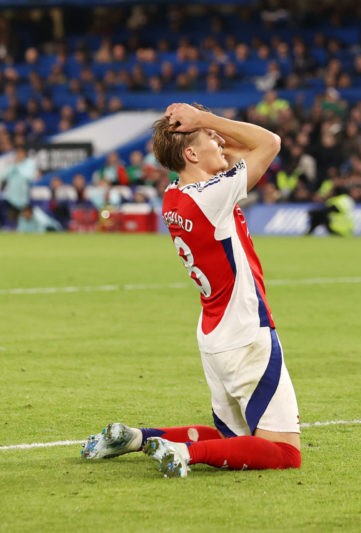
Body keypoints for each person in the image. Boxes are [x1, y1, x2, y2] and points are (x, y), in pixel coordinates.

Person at [81, 103, 301, 477]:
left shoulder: (175, 195)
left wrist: (204, 134)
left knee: (227, 436)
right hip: (246, 331)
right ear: (191, 154)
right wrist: (205, 121)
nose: (220, 142)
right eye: (211, 140)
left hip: (214, 336)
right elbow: (269, 142)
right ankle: (183, 453)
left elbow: (233, 154)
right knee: (283, 451)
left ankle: (135, 437)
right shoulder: (213, 196)